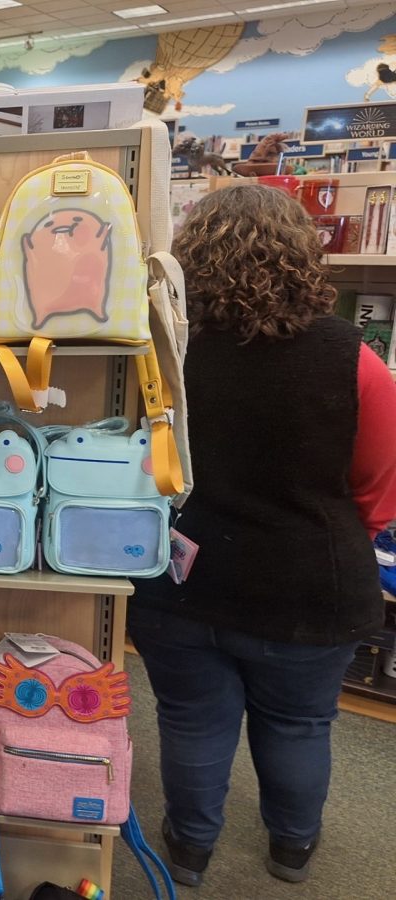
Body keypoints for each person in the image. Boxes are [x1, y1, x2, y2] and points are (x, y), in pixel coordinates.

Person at [128, 184, 396, 887]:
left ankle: (188, 849)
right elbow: (376, 487)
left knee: (190, 719)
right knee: (300, 726)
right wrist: (325, 535)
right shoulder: (355, 358)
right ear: (302, 256)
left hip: (182, 578)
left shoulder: (162, 353)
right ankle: (291, 850)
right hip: (310, 583)